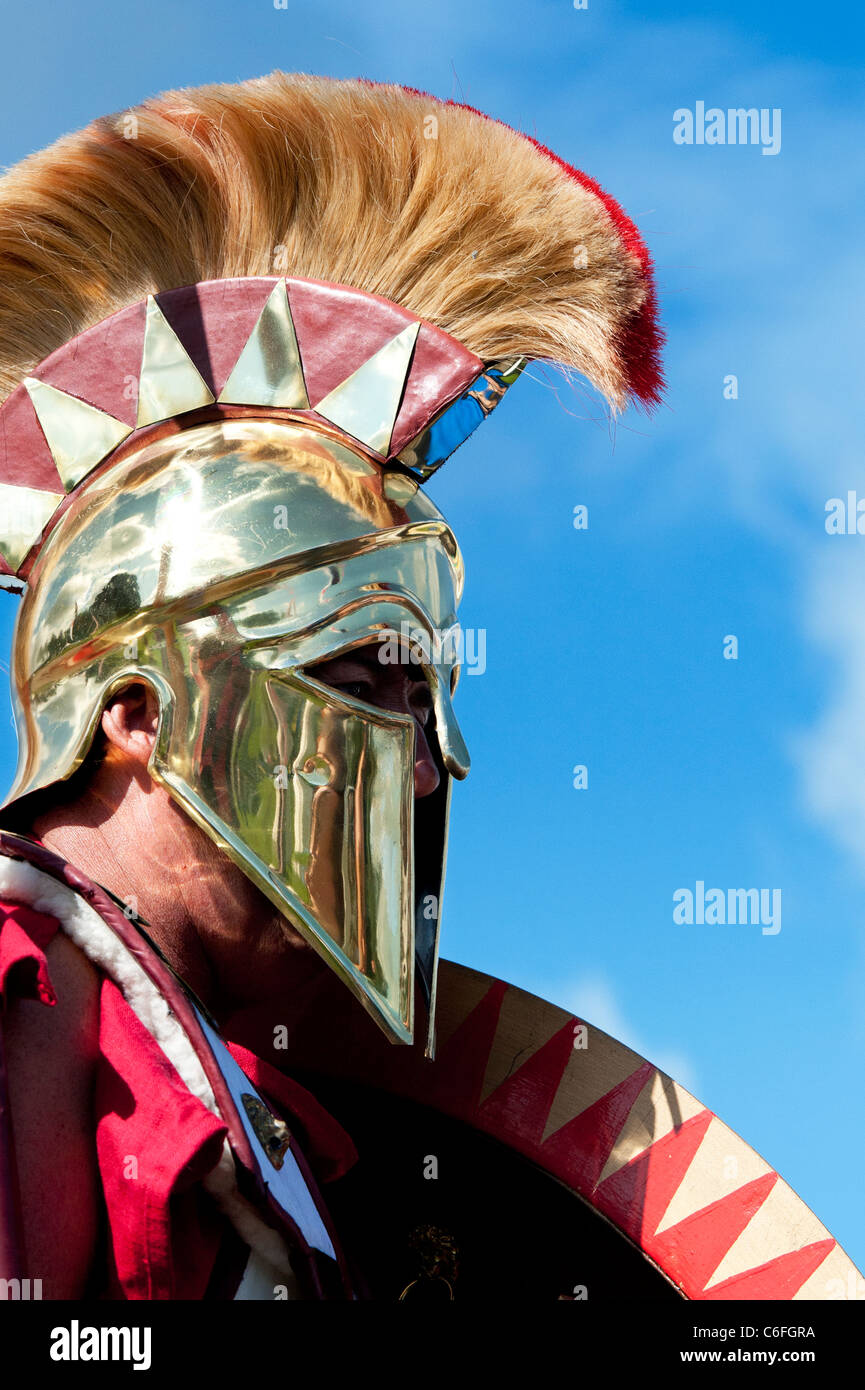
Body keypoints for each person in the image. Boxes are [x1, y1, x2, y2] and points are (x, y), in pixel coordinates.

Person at [3, 71, 852, 1305]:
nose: (425, 752)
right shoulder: (21, 976)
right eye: (364, 676)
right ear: (138, 710)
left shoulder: (248, 1080)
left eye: (427, 695)